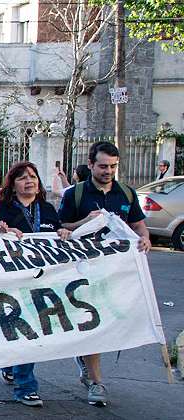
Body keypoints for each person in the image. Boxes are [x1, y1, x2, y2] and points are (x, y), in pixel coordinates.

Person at [58, 141, 151, 407]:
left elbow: (139, 227)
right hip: (82, 269)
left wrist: (144, 239)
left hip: (115, 271)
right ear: (90, 165)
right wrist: (86, 222)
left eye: (112, 166)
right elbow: (61, 226)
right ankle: (97, 382)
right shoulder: (74, 194)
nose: (108, 171)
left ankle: (87, 363)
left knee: (108, 324)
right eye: (102, 166)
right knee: (92, 322)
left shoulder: (126, 193)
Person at [0, 161, 71, 408]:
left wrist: (64, 233)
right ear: (12, 185)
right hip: (10, 280)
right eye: (23, 178)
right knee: (13, 327)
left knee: (28, 331)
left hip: (40, 281)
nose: (30, 181)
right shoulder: (1, 209)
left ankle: (25, 386)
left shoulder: (46, 209)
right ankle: (14, 370)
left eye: (33, 177)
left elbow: (57, 233)